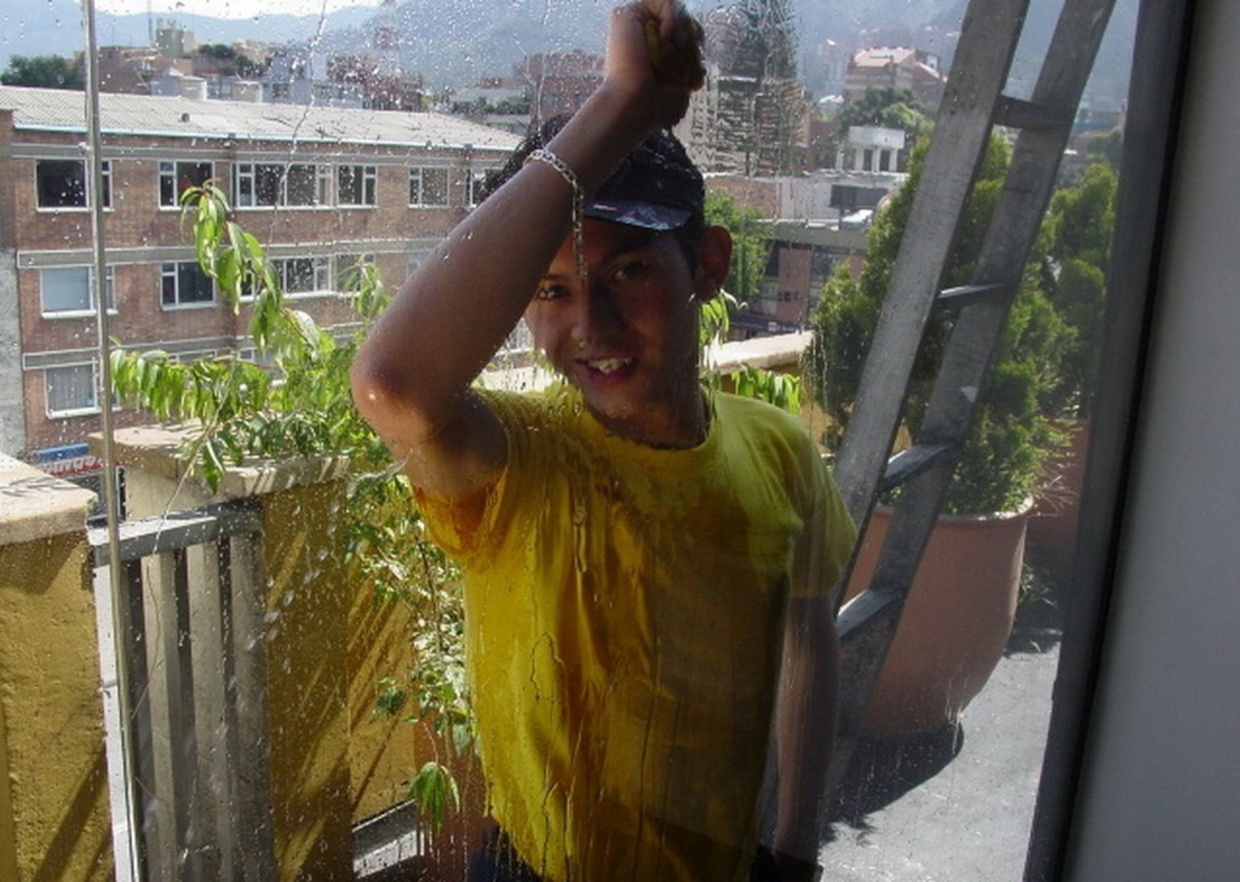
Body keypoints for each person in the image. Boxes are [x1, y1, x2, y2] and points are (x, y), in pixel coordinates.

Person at [350, 2, 855, 878]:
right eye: (551, 290)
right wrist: (621, 106)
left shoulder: (779, 450)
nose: (593, 324)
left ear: (707, 266)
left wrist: (797, 848)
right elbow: (394, 385)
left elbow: (808, 640)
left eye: (628, 270)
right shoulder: (520, 463)